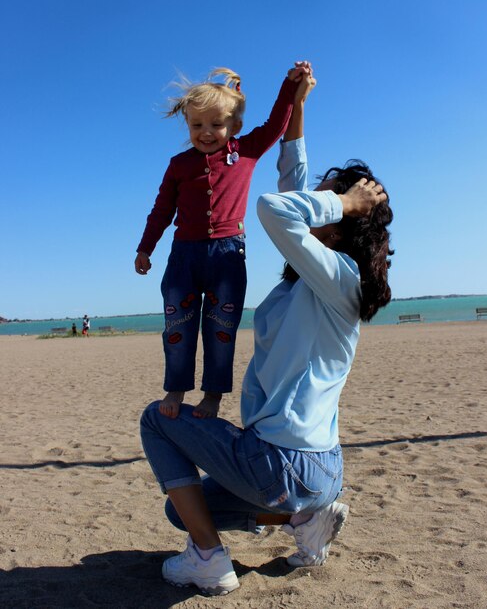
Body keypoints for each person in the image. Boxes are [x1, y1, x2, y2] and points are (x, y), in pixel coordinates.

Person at [140, 71, 394, 595]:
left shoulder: (341, 280)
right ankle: (306, 520)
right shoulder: (316, 276)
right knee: (178, 509)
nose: (312, 206)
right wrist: (296, 108)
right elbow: (292, 187)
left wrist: (347, 202)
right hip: (317, 472)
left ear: (341, 224)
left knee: (155, 421)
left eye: (325, 205)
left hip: (279, 464)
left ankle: (209, 559)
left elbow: (278, 209)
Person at [134, 64, 308, 420]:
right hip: (183, 256)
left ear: (235, 126)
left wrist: (288, 87)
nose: (206, 133)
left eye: (216, 124)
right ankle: (176, 387)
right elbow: (161, 209)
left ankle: (212, 395)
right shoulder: (179, 165)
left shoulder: (246, 151)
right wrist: (145, 247)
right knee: (178, 325)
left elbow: (277, 123)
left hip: (228, 256)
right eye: (197, 125)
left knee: (220, 327)